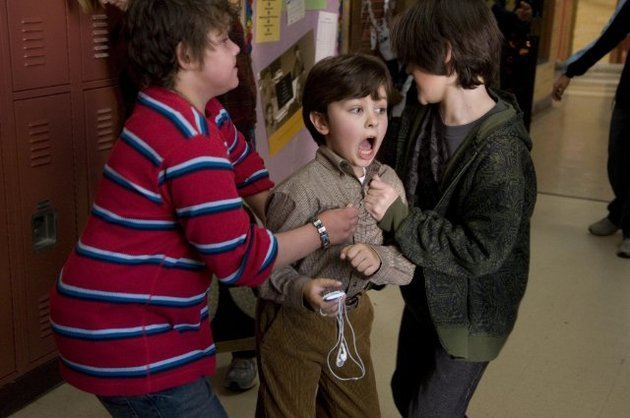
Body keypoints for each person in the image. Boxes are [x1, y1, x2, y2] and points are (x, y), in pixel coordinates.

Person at [48, 1, 358, 417]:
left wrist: (291, 218)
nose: (237, 48)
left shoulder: (192, 110)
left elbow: (248, 171)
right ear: (186, 56)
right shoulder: (189, 142)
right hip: (128, 331)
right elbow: (242, 260)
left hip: (117, 315)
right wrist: (321, 230)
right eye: (222, 40)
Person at [365, 1, 537, 416]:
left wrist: (399, 217)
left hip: (470, 315)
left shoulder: (502, 153)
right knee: (406, 393)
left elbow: (481, 250)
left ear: (445, 54)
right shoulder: (421, 114)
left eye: (412, 59)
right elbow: (395, 168)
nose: (407, 69)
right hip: (425, 295)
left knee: (429, 411)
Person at [255, 53, 415, 417]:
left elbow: (408, 266)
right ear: (321, 121)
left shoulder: (388, 183)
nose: (373, 120)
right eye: (356, 110)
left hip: (354, 318)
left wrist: (378, 260)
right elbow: (262, 271)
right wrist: (301, 288)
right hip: (293, 324)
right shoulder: (299, 191)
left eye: (379, 108)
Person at [552, 0, 630, 259]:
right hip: (627, 98)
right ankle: (619, 213)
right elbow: (608, 39)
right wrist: (571, 72)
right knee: (617, 161)